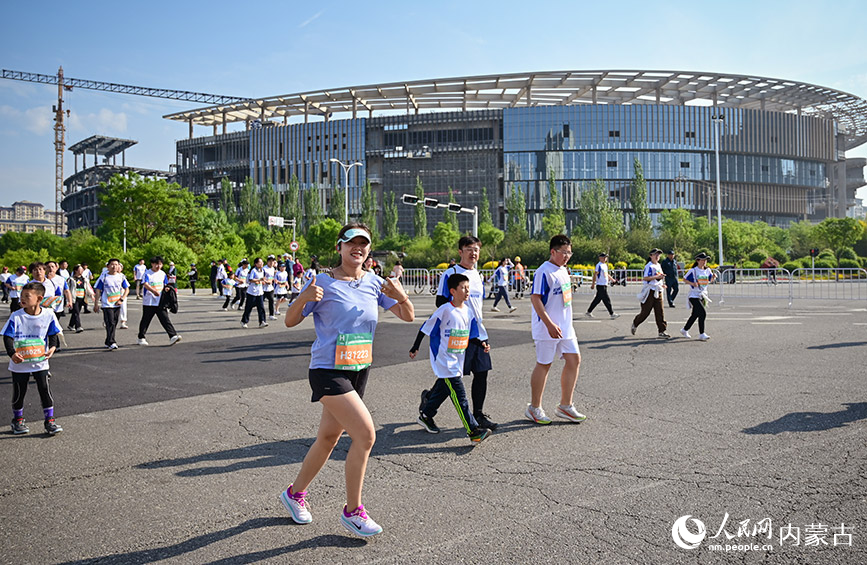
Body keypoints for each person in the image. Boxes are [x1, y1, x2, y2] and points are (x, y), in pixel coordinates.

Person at [278, 223, 414, 538]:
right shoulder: (322, 282)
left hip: (358, 369)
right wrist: (304, 298)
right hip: (327, 370)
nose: (358, 248)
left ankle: (294, 493)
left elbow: (408, 316)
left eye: (363, 243)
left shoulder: (375, 284)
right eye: (351, 242)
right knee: (366, 435)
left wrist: (401, 295)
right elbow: (289, 320)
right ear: (340, 247)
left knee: (328, 438)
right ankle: (353, 511)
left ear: (368, 250)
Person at [411, 273, 492, 442]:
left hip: (458, 359)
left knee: (442, 390)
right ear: (453, 291)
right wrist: (415, 346)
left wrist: (482, 344)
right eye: (463, 287)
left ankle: (426, 415)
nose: (467, 291)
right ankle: (473, 430)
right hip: (445, 360)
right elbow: (425, 328)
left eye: (468, 288)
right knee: (459, 396)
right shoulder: (445, 310)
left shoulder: (468, 312)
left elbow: (472, 336)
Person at [429, 235, 498, 429]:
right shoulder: (451, 273)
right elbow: (441, 303)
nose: (473, 253)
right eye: (469, 249)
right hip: (458, 333)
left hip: (477, 332)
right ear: (460, 252)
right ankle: (428, 405)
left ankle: (478, 414)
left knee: (482, 373)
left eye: (476, 249)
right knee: (451, 377)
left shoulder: (477, 275)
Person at [526, 235, 587, 425]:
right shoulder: (543, 272)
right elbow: (535, 298)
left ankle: (565, 406)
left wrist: (562, 324)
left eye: (569, 252)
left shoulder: (563, 270)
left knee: (574, 359)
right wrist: (549, 324)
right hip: (547, 328)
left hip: (565, 327)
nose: (567, 256)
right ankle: (534, 408)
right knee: (544, 364)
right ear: (553, 252)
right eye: (563, 252)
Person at [3, 281, 64, 435]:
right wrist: (12, 353)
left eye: (26, 296)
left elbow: (53, 333)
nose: (21, 299)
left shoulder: (48, 314)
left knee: (44, 390)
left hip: (40, 361)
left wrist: (52, 348)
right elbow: (7, 336)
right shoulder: (16, 316)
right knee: (19, 392)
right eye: (21, 295)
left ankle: (49, 420)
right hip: (20, 363)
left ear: (39, 298)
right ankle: (17, 420)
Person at [138, 256, 182, 346]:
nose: (158, 266)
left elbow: (165, 284)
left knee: (165, 319)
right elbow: (145, 284)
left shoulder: (162, 274)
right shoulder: (147, 273)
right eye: (156, 264)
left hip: (160, 301)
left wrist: (166, 289)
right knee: (146, 320)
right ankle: (141, 337)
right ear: (152, 264)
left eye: (160, 264)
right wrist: (153, 291)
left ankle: (172, 336)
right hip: (149, 301)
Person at [631, 249, 671, 339]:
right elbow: (646, 278)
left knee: (660, 311)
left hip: (658, 290)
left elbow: (659, 278)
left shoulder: (659, 265)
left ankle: (662, 331)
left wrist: (662, 284)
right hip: (650, 291)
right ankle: (635, 323)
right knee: (645, 312)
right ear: (650, 256)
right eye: (655, 254)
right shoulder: (649, 266)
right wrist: (657, 277)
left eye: (658, 255)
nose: (657, 256)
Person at [93, 258, 129, 350]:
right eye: (112, 265)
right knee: (110, 322)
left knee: (114, 322)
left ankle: (108, 341)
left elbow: (127, 289)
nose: (114, 266)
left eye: (116, 264)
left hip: (117, 303)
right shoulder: (104, 277)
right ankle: (112, 341)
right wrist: (96, 304)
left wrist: (122, 299)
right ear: (108, 266)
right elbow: (98, 290)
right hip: (107, 304)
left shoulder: (121, 276)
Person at [680, 252, 716, 341]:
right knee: (702, 313)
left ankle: (684, 329)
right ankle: (702, 333)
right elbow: (684, 279)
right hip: (693, 295)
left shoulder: (707, 270)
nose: (704, 262)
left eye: (705, 260)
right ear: (698, 261)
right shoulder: (693, 270)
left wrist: (713, 277)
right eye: (702, 260)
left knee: (695, 314)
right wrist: (692, 283)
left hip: (702, 295)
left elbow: (710, 280)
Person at [585, 252, 620, 319]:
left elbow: (606, 274)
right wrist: (593, 284)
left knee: (597, 300)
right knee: (607, 299)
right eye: (603, 257)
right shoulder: (599, 265)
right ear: (600, 258)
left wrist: (613, 280)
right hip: (600, 285)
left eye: (605, 257)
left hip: (604, 284)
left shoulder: (605, 265)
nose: (605, 258)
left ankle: (588, 312)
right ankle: (612, 313)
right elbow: (595, 274)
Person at [241, 257, 267, 328]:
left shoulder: (262, 270)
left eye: (262, 263)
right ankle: (244, 321)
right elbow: (250, 279)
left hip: (260, 292)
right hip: (252, 292)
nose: (262, 264)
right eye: (260, 263)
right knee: (248, 307)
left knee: (261, 307)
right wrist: (259, 279)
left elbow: (262, 279)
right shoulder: (253, 271)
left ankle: (262, 321)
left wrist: (263, 282)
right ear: (256, 264)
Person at [67, 264, 86, 333]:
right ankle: (78, 326)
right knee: (76, 312)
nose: (81, 271)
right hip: (74, 298)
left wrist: (92, 295)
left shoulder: (84, 279)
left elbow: (88, 287)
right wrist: (68, 299)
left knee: (76, 312)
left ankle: (71, 325)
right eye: (79, 269)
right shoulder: (71, 279)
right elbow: (67, 289)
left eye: (82, 269)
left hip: (81, 297)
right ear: (75, 270)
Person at [263, 255, 277, 320]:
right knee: (258, 302)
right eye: (270, 261)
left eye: (273, 261)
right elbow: (261, 278)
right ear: (267, 262)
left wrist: (273, 280)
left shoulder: (273, 269)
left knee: (271, 300)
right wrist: (266, 281)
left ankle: (271, 315)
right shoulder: (264, 269)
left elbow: (272, 277)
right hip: (263, 288)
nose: (271, 263)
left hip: (270, 288)